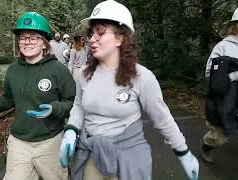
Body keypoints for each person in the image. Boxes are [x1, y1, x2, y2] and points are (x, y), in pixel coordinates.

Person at [59, 1, 199, 180]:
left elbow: (162, 118)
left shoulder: (142, 77)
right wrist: (71, 131)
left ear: (120, 38)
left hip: (128, 159)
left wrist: (183, 152)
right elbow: (78, 106)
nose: (92, 38)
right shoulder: (85, 74)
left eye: (100, 32)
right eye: (91, 33)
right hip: (93, 155)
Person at [0, 12, 76, 180]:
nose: (27, 42)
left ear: (44, 43)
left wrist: (54, 109)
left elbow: (73, 103)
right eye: (23, 37)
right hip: (19, 142)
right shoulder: (13, 70)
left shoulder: (58, 70)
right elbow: (7, 100)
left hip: (50, 141)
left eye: (33, 37)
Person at [201, 7, 238, 163]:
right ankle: (206, 146)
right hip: (224, 100)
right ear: (236, 25)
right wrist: (234, 76)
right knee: (219, 136)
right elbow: (210, 73)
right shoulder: (223, 47)